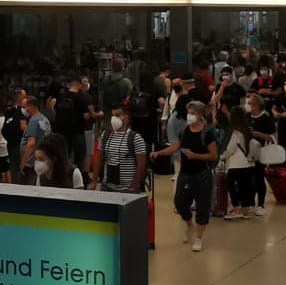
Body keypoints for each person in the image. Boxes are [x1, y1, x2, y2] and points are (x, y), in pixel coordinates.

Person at [155, 103, 218, 250]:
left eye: (192, 113)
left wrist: (195, 156)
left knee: (202, 206)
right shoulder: (185, 131)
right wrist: (160, 153)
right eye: (188, 112)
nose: (189, 115)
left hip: (202, 174)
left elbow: (213, 155)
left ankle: (198, 237)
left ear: (200, 115)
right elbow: (175, 146)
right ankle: (189, 225)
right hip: (185, 173)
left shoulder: (207, 133)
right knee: (180, 203)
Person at [93, 102, 148, 195]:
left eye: (117, 115)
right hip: (107, 187)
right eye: (112, 115)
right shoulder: (105, 136)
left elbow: (141, 164)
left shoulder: (135, 138)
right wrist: (94, 180)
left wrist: (134, 186)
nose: (113, 118)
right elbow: (99, 158)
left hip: (127, 189)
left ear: (126, 117)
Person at [222, 107, 256, 221]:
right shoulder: (247, 130)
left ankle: (236, 208)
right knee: (244, 187)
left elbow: (231, 148)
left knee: (231, 186)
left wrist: (223, 156)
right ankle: (246, 211)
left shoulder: (235, 131)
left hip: (235, 163)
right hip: (247, 163)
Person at [245, 94, 276, 217]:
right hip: (248, 152)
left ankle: (261, 204)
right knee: (249, 178)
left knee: (259, 178)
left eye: (251, 103)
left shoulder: (266, 118)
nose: (249, 106)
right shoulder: (247, 117)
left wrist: (258, 134)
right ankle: (251, 202)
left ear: (257, 105)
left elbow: (273, 137)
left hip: (261, 151)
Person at [51, 78, 93, 168]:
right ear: (80, 86)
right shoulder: (82, 97)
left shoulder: (60, 96)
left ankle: (64, 176)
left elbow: (54, 109)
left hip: (62, 131)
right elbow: (86, 116)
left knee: (64, 155)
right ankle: (79, 176)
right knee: (79, 158)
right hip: (77, 131)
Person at [20, 95, 52, 180]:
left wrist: (23, 163)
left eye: (24, 107)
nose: (23, 109)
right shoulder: (44, 119)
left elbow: (31, 144)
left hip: (32, 163)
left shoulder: (33, 121)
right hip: (43, 159)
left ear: (31, 106)